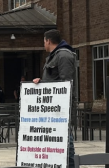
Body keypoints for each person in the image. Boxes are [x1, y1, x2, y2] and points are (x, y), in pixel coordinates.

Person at [32, 29, 75, 168]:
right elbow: (54, 79)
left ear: (48, 41)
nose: (43, 44)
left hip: (61, 109)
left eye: (44, 41)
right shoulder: (54, 56)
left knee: (66, 142)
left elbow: (65, 84)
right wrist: (41, 82)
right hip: (51, 108)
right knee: (56, 141)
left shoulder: (64, 56)